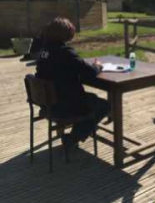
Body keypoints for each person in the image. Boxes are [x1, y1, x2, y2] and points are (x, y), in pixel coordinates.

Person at [35, 17, 109, 152]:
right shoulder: (65, 52)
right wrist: (97, 66)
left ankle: (78, 131)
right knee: (104, 105)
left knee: (91, 98)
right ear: (66, 33)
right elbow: (90, 72)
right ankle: (73, 138)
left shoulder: (43, 51)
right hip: (64, 105)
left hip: (48, 103)